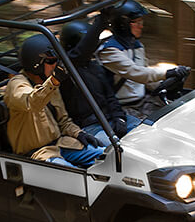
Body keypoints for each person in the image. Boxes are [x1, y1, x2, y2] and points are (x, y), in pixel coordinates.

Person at [3, 33, 106, 168]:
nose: (55, 65)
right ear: (36, 64)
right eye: (51, 61)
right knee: (74, 177)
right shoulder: (17, 84)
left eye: (57, 60)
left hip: (61, 144)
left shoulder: (50, 83)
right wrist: (54, 81)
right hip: (39, 153)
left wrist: (78, 133)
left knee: (107, 157)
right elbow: (31, 103)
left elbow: (63, 121)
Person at [97, 0, 191, 118]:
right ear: (123, 25)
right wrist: (169, 72)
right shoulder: (110, 51)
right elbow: (138, 73)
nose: (141, 26)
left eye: (142, 21)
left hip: (143, 101)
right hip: (122, 108)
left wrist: (165, 84)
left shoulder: (136, 45)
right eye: (137, 22)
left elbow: (146, 76)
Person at [58, 17, 142, 146]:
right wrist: (100, 24)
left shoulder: (94, 66)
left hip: (109, 118)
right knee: (117, 150)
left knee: (146, 132)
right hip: (89, 126)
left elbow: (110, 96)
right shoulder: (65, 70)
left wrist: (119, 117)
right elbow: (77, 55)